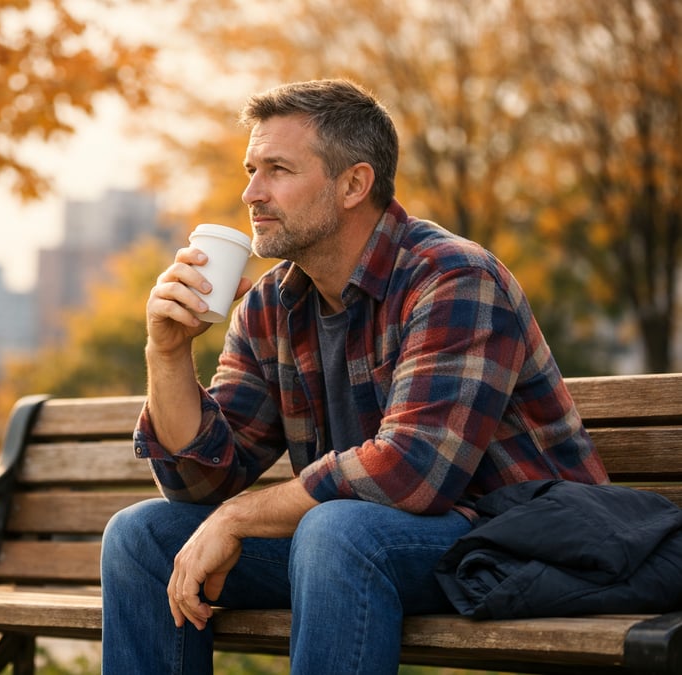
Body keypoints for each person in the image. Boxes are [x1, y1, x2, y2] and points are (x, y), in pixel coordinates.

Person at [100, 79, 608, 674]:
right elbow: (201, 485)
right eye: (250, 169)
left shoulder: (452, 278)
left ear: (353, 184)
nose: (251, 193)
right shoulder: (271, 305)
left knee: (337, 530)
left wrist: (238, 518)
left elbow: (414, 472)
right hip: (353, 548)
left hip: (519, 544)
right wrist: (166, 354)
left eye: (277, 170)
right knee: (142, 536)